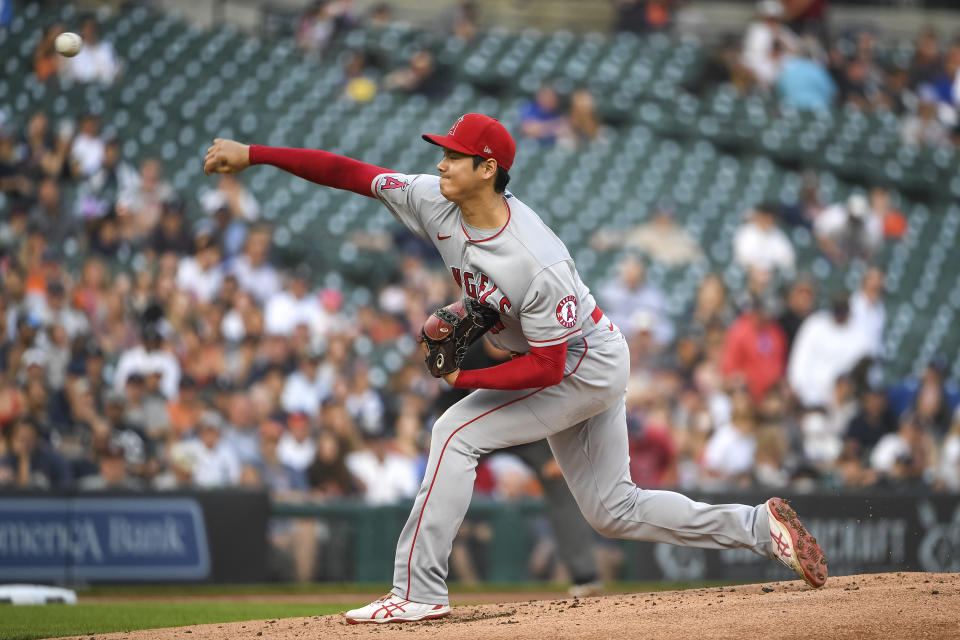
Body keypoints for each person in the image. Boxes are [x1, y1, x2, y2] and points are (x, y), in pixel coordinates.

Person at [203, 112, 827, 623]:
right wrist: (254, 154)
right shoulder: (434, 200)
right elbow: (350, 172)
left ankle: (418, 592)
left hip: (583, 363)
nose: (439, 161)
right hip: (571, 354)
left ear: (488, 169)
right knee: (614, 511)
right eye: (441, 153)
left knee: (454, 431)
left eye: (453, 155)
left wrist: (463, 381)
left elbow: (549, 370)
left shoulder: (536, 258)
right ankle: (757, 527)